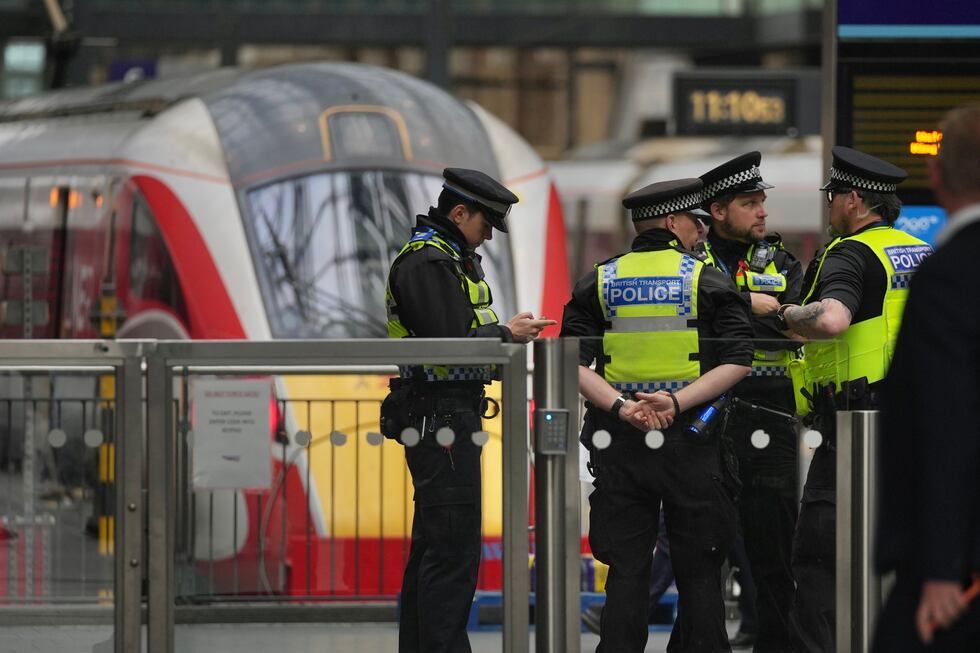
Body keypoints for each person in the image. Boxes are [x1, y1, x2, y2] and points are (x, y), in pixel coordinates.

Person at [561, 177, 754, 653]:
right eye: (696, 222)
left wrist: (624, 407)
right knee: (699, 572)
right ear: (672, 222)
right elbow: (739, 359)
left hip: (620, 441)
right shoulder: (705, 280)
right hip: (692, 440)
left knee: (627, 571)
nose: (702, 232)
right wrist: (676, 402)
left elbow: (568, 364)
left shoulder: (598, 281)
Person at [383, 167, 555, 653]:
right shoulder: (428, 263)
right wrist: (508, 335)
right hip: (439, 417)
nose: (485, 238)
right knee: (452, 551)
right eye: (484, 226)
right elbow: (449, 345)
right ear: (459, 213)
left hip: (445, 416)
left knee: (436, 547)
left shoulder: (446, 259)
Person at [774, 147, 932, 653]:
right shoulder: (918, 251)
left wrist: (784, 314)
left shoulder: (850, 253)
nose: (829, 207)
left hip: (855, 434)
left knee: (821, 559)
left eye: (833, 196)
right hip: (916, 430)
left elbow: (831, 321)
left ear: (855, 199)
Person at [871, 104, 980, 652]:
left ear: (936, 174)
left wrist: (941, 566)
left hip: (957, 563)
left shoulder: (952, 273)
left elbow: (946, 424)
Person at [698, 152, 802, 653]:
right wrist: (749, 304)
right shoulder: (692, 262)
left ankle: (776, 643)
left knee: (774, 549)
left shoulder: (780, 261)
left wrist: (747, 310)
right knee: (701, 549)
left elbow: (797, 321)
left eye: (762, 202)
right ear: (718, 211)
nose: (762, 212)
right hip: (706, 414)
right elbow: (701, 324)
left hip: (771, 416)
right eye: (749, 203)